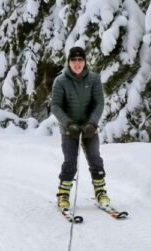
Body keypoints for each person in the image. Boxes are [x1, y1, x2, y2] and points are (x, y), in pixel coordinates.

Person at [51, 46, 110, 210]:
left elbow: (99, 103)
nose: (77, 63)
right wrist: (68, 124)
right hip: (69, 128)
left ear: (84, 62)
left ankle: (101, 192)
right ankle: (63, 195)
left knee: (95, 158)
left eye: (80, 60)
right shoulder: (60, 81)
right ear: (69, 62)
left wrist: (92, 123)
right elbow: (55, 106)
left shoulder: (94, 79)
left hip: (89, 127)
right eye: (73, 60)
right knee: (70, 161)